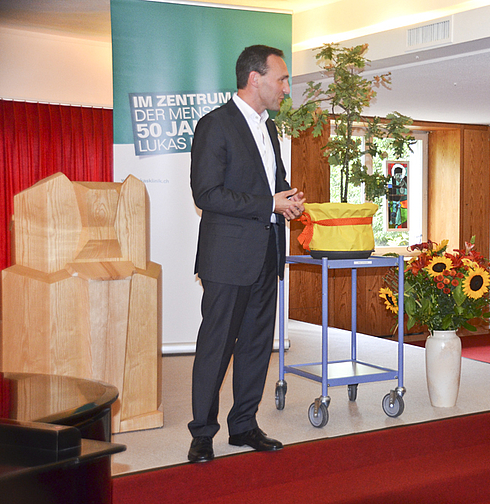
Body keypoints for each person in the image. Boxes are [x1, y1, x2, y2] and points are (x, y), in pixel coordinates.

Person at [188, 45, 305, 463]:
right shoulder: (214, 125)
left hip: (266, 255)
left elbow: (271, 182)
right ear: (255, 79)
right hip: (227, 257)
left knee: (257, 345)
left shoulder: (269, 128)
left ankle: (244, 425)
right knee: (216, 346)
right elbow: (206, 193)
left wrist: (287, 198)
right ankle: (202, 433)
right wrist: (268, 204)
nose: (286, 88)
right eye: (282, 79)